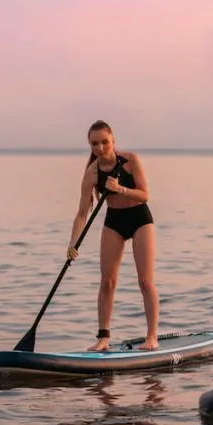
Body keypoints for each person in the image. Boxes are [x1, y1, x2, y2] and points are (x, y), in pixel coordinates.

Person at [67, 120, 160, 351]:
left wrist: (120, 189)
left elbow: (145, 195)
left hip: (139, 218)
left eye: (104, 142)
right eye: (94, 144)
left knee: (145, 280)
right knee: (107, 281)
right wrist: (73, 243)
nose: (100, 148)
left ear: (113, 140)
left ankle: (152, 337)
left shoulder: (130, 161)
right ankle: (103, 338)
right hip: (114, 220)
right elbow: (81, 214)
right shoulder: (91, 174)